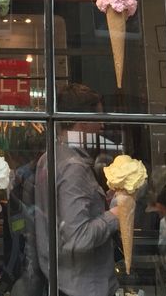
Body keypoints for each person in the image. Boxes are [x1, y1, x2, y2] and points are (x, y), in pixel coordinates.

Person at [35, 83, 119, 296]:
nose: (102, 126)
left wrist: (104, 202)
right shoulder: (74, 167)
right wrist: (117, 214)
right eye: (98, 118)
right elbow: (78, 238)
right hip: (84, 286)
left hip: (59, 280)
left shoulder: (49, 158)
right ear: (82, 122)